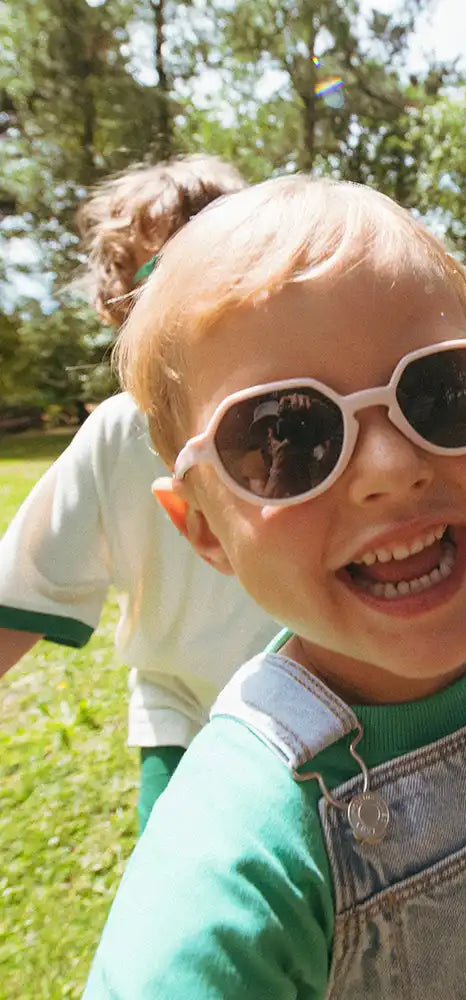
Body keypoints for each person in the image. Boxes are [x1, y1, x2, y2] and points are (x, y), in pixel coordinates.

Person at [81, 175, 466, 1000]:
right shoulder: (236, 864)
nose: (392, 469)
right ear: (201, 529)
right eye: (285, 435)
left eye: (439, 392)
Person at [0, 155, 280, 832]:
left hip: (335, 702)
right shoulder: (121, 434)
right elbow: (19, 596)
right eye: (171, 269)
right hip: (186, 724)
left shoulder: (309, 408)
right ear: (119, 309)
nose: (213, 285)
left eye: (234, 252)